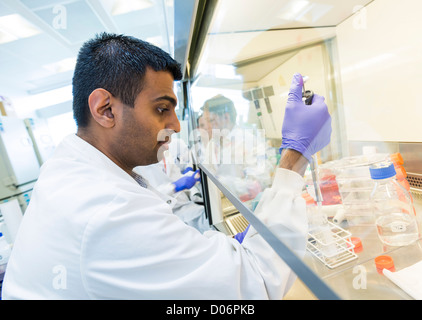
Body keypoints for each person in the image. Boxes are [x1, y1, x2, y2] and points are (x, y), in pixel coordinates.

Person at [2, 33, 331, 299]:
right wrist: (296, 155)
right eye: (162, 108)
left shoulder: (69, 168)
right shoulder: (107, 210)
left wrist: (214, 255)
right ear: (105, 109)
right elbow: (255, 284)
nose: (175, 125)